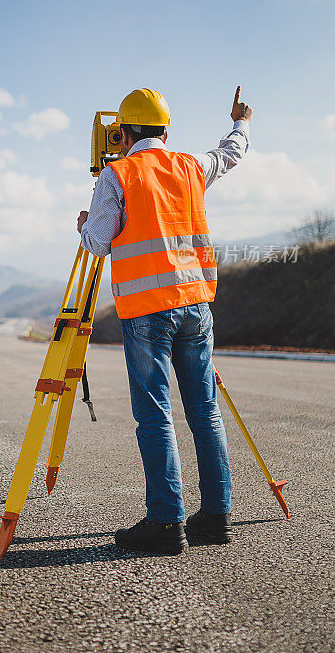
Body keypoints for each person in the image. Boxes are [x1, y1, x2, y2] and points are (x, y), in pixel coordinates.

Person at [77, 86, 253, 553]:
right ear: (165, 129)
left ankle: (165, 523)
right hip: (196, 306)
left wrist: (84, 224)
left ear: (124, 131)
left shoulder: (117, 175)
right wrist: (241, 121)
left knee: (155, 417)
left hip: (148, 313)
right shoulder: (191, 166)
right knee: (205, 412)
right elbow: (230, 153)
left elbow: (97, 243)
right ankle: (216, 518)